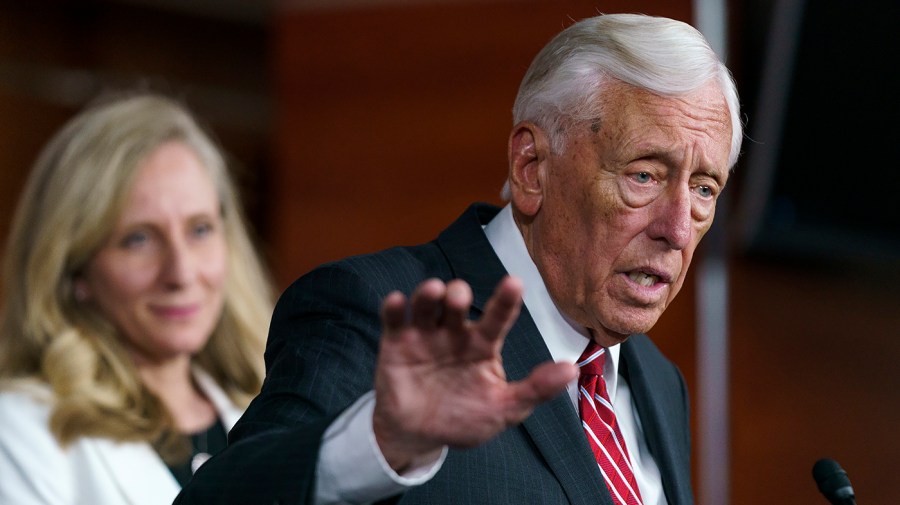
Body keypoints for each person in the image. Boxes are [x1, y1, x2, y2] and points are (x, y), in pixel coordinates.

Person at [177, 12, 742, 505]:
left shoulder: (658, 380)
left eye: (704, 190)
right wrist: (381, 443)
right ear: (532, 168)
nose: (676, 229)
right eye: (644, 175)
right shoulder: (374, 312)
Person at [0, 93, 276, 504]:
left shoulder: (268, 404)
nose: (181, 273)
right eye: (139, 239)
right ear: (75, 268)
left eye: (200, 230)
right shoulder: (20, 430)